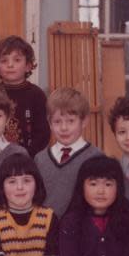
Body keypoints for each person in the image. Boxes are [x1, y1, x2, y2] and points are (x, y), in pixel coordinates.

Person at [33, 87, 104, 217]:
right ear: (49, 123)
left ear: (84, 121)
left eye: (71, 121)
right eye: (57, 121)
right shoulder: (40, 159)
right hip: (44, 230)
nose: (64, 128)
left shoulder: (96, 158)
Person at [0, 35, 49, 157]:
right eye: (4, 61)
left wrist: (28, 155)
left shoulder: (37, 95)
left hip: (29, 158)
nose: (10, 65)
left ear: (28, 65)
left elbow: (43, 134)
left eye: (17, 60)